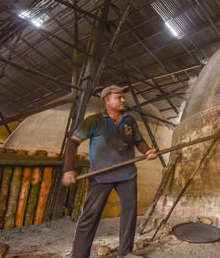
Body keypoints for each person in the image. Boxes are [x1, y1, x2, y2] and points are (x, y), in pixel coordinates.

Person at [61, 85, 157, 258]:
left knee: (129, 215)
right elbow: (72, 142)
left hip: (127, 175)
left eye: (122, 97)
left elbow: (139, 140)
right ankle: (79, 255)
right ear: (107, 100)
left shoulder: (129, 120)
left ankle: (125, 253)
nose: (122, 100)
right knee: (90, 217)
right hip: (100, 176)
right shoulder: (94, 120)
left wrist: (147, 151)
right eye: (118, 97)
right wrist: (69, 169)